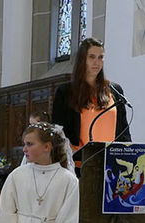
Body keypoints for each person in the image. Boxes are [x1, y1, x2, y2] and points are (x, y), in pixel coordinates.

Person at [51, 38, 131, 166]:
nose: (96, 62)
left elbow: (124, 132)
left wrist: (128, 156)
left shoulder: (115, 90)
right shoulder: (65, 92)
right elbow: (58, 130)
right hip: (79, 165)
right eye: (92, 57)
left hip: (111, 164)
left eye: (100, 57)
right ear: (82, 59)